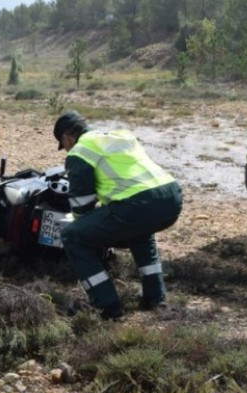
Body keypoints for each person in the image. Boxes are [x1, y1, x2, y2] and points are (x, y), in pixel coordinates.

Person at [53, 111, 183, 320]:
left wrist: (84, 225)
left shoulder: (80, 150)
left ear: (67, 137)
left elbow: (82, 202)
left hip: (137, 203)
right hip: (171, 196)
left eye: (63, 144)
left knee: (72, 236)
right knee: (139, 230)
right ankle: (155, 297)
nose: (66, 149)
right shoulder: (119, 135)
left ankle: (107, 306)